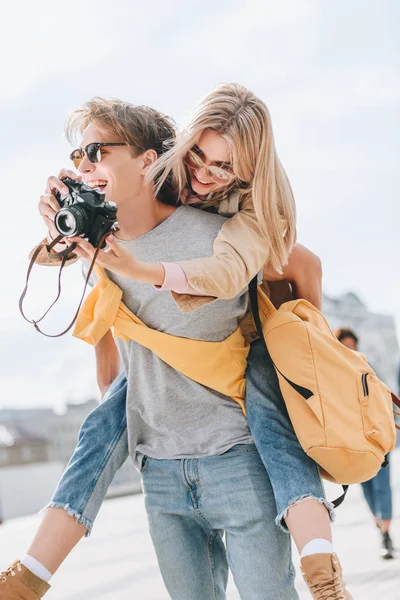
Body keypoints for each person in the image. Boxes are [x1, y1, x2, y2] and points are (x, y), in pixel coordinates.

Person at [2, 89, 352, 600]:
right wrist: (61, 230)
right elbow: (106, 328)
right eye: (79, 154)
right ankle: (28, 577)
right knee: (105, 420)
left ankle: (323, 570)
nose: (205, 175)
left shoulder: (232, 227)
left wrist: (305, 352)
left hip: (237, 457)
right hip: (162, 473)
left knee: (271, 409)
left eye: (98, 151)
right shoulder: (108, 230)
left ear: (146, 160)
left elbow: (297, 265)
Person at [336, 327, 395, 560]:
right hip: (353, 442)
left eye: (353, 345)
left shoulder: (369, 369)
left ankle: (387, 535)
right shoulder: (334, 375)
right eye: (345, 345)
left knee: (383, 487)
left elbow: (385, 398)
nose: (350, 349)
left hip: (378, 436)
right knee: (367, 488)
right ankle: (380, 527)